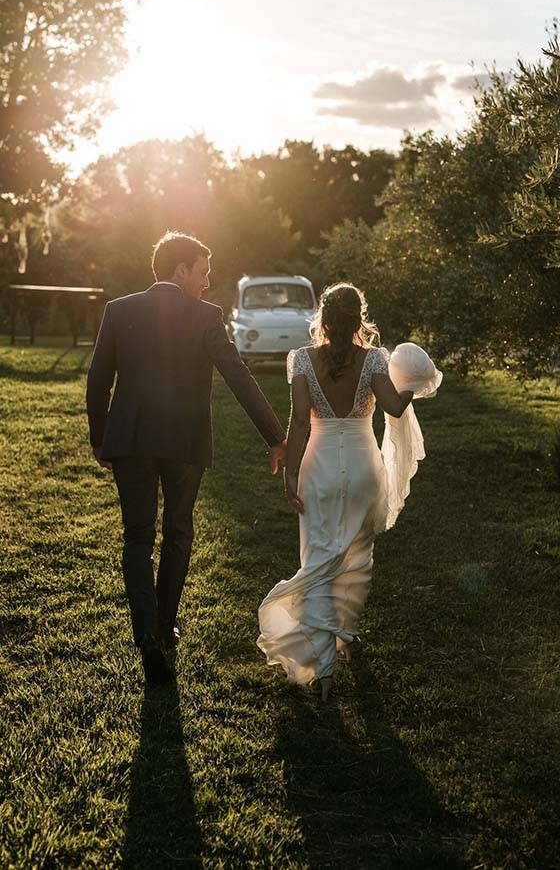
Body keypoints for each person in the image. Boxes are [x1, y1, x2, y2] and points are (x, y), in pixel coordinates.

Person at [87, 231, 286, 686]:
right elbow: (239, 376)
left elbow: (97, 383)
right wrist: (275, 436)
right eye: (202, 272)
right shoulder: (206, 317)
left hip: (131, 441)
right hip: (185, 443)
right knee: (178, 530)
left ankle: (145, 635)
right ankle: (163, 625)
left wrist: (102, 439)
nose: (207, 282)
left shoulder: (119, 311)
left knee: (137, 537)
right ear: (180, 270)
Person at [257, 282, 441, 702]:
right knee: (356, 558)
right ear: (359, 318)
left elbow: (299, 423)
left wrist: (290, 475)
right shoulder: (374, 358)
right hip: (362, 469)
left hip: (317, 469)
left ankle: (325, 670)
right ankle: (344, 633)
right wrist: (412, 380)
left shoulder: (302, 360)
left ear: (322, 317)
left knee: (320, 556)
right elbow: (394, 408)